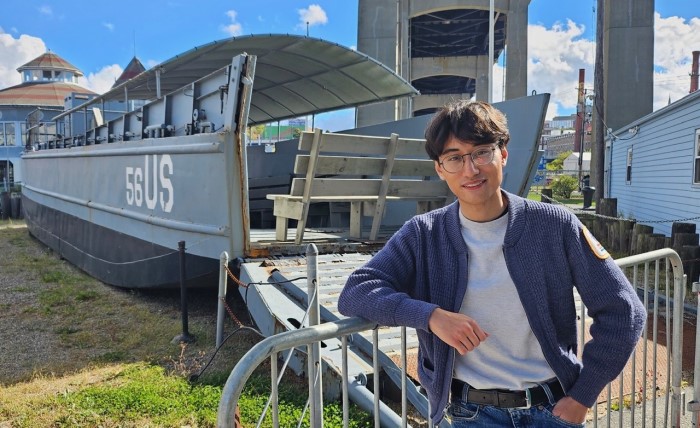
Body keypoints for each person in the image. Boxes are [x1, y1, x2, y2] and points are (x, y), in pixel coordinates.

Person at [337, 100, 646, 427]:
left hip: (552, 410)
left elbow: (624, 310)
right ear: (440, 169)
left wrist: (583, 395)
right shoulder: (423, 234)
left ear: (503, 154)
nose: (470, 169)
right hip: (473, 414)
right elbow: (356, 292)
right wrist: (431, 317)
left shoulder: (554, 225)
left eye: (481, 152)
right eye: (454, 158)